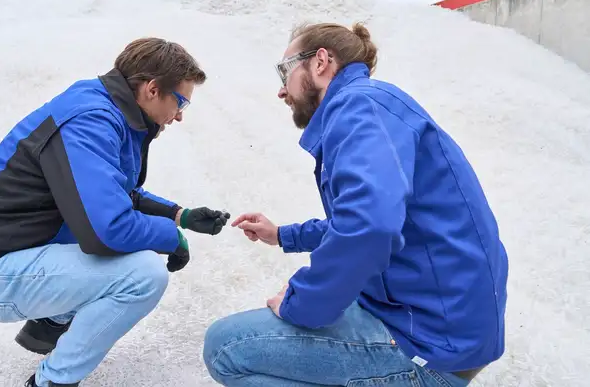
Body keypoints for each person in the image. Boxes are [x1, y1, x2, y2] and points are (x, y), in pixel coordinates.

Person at [203, 22, 508, 386]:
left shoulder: (357, 106)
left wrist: (302, 304)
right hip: (443, 322)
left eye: (285, 71)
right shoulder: (374, 104)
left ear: (320, 62)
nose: (282, 90)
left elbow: (371, 226)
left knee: (225, 348)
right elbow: (363, 219)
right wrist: (283, 235)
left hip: (431, 342)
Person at [0, 37, 230, 387]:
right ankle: (52, 381)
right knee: (144, 274)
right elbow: (107, 229)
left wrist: (180, 215)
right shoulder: (89, 120)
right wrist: (172, 237)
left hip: (12, 255)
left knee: (131, 250)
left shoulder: (104, 107)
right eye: (181, 101)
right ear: (153, 89)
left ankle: (50, 323)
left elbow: (113, 191)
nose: (180, 115)